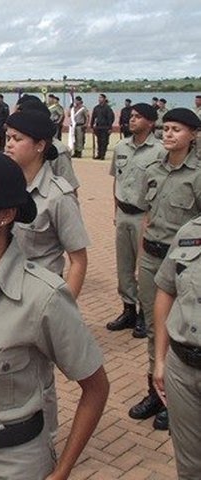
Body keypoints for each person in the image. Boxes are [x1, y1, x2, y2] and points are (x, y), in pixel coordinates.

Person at [0, 151, 109, 479]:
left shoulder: (43, 296)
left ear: (5, 215)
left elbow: (96, 388)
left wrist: (63, 469)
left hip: (15, 461)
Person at [132, 108, 201, 431]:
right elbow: (148, 217)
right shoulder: (153, 169)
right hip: (151, 258)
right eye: (166, 128)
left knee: (178, 330)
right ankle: (155, 394)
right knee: (152, 327)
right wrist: (140, 258)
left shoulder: (198, 175)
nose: (169, 134)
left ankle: (177, 402)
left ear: (193, 135)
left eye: (176, 129)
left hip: (184, 266)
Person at [5, 109, 90, 299]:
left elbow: (78, 260)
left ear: (40, 145)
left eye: (17, 139)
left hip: (41, 293)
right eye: (8, 137)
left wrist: (65, 307)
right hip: (5, 287)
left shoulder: (58, 196)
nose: (9, 144)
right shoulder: (4, 187)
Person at [107, 104, 164, 334]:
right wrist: (115, 211)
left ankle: (143, 314)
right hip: (123, 214)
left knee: (144, 268)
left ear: (150, 123)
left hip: (144, 216)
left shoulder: (160, 151)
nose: (132, 120)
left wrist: (152, 218)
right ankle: (128, 310)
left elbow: (162, 188)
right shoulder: (121, 146)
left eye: (138, 117)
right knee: (124, 266)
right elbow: (116, 181)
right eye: (131, 116)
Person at [153, 215, 201, 479]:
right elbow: (166, 290)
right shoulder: (189, 232)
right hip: (181, 371)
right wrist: (160, 360)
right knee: (190, 467)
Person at [90, 94, 115, 159]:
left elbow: (111, 118)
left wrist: (110, 127)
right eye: (99, 98)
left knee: (104, 141)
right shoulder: (96, 108)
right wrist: (91, 126)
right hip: (98, 127)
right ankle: (99, 154)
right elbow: (93, 117)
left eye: (101, 98)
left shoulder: (108, 108)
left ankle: (102, 155)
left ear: (104, 99)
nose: (99, 99)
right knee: (99, 141)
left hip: (105, 127)